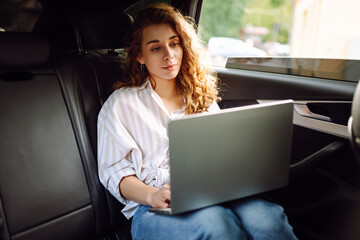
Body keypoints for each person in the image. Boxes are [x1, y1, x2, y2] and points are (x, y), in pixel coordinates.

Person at [98, 3, 298, 240]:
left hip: (212, 193)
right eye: (155, 48)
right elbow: (115, 172)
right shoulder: (121, 104)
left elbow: (219, 155)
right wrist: (152, 195)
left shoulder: (199, 96)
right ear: (140, 56)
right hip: (151, 208)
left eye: (174, 44)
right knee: (215, 225)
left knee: (267, 220)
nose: (169, 55)